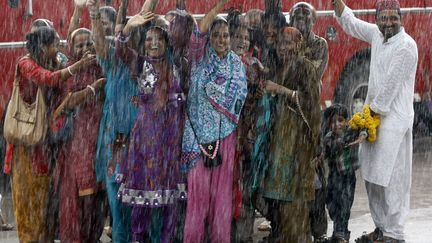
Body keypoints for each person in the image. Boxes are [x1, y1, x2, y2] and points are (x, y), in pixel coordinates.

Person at [333, 0, 418, 242]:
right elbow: (352, 24)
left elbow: (389, 89)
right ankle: (381, 228)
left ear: (401, 18)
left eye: (393, 18)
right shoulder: (378, 36)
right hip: (374, 117)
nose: (388, 23)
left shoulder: (406, 46)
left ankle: (395, 233)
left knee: (392, 180)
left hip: (393, 122)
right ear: (377, 18)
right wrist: (337, 4)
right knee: (372, 176)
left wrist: (363, 122)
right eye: (384, 18)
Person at [8, 26, 94, 243]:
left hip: (47, 141)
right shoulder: (26, 64)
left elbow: (63, 78)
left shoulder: (54, 61)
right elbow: (48, 79)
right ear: (43, 46)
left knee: (46, 202)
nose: (58, 49)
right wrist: (78, 66)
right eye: (54, 44)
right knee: (29, 201)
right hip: (28, 142)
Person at [180, 0, 247, 242]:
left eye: (226, 35)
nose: (221, 40)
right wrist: (219, 6)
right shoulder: (199, 57)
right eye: (217, 35)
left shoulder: (237, 66)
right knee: (197, 199)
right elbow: (199, 30)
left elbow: (239, 98)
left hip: (225, 140)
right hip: (196, 140)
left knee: (221, 201)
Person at [252, 26, 321, 243]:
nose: (284, 47)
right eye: (281, 43)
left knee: (296, 203)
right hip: (277, 143)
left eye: (289, 43)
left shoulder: (305, 67)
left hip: (297, 144)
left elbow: (311, 104)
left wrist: (281, 90)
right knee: (276, 200)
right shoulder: (276, 66)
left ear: (299, 44)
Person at [55, 27, 106, 243]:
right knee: (83, 195)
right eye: (80, 45)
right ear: (72, 48)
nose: (85, 48)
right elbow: (65, 103)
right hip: (78, 141)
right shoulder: (69, 70)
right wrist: (92, 89)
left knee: (98, 198)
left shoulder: (102, 66)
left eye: (89, 43)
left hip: (101, 138)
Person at [289, 2, 329, 241]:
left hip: (310, 114)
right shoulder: (286, 40)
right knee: (291, 172)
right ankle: (294, 225)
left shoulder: (319, 45)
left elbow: (310, 76)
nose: (301, 21)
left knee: (314, 174)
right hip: (288, 115)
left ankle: (319, 230)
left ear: (314, 21)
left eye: (305, 17)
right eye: (296, 17)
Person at [227, 9, 264, 243]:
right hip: (224, 136)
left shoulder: (253, 66)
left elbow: (260, 100)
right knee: (225, 187)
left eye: (246, 38)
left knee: (246, 189)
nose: (242, 41)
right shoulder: (219, 64)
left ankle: (243, 236)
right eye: (237, 37)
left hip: (246, 137)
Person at [322, 104, 366, 243]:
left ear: (346, 121)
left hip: (348, 176)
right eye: (333, 121)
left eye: (340, 120)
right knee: (331, 203)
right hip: (334, 175)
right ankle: (338, 231)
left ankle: (342, 233)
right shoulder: (328, 138)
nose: (336, 124)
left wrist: (362, 136)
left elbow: (365, 126)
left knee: (345, 204)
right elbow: (326, 152)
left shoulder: (352, 130)